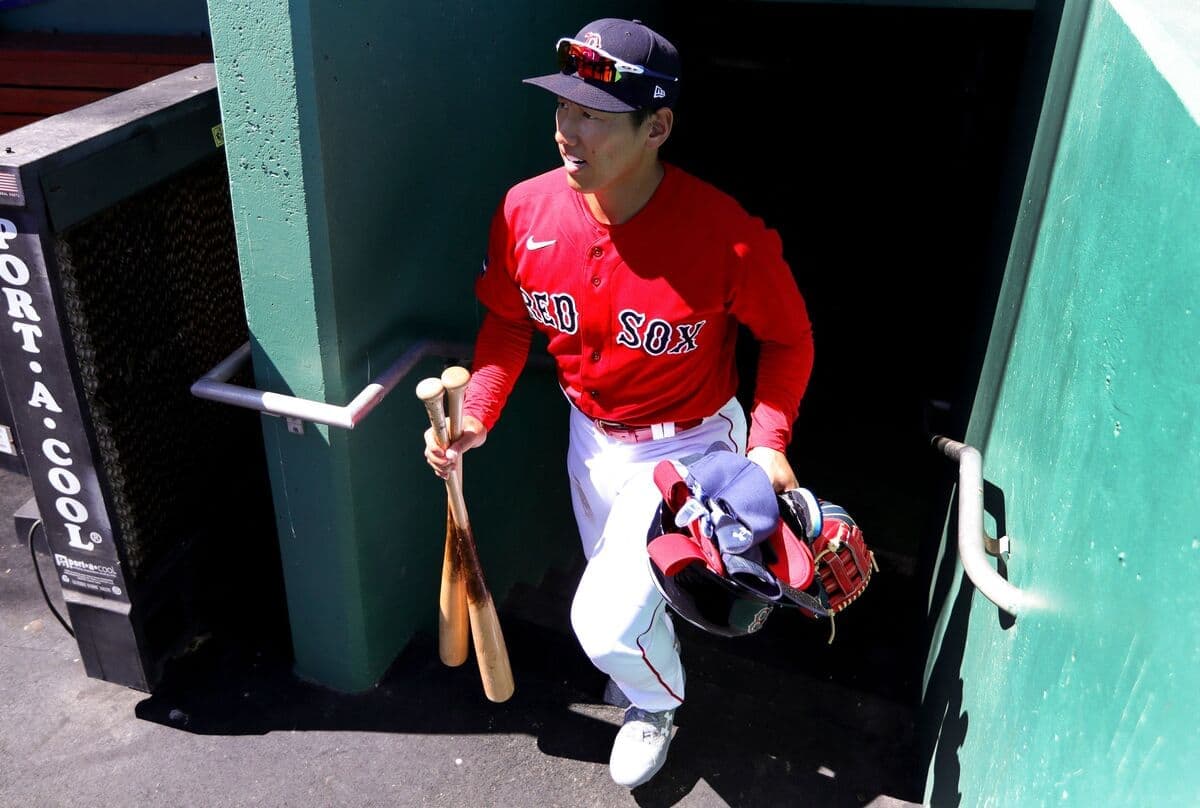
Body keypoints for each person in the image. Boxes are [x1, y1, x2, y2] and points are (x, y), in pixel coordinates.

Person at [424, 17, 814, 788]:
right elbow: (508, 324)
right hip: (592, 439)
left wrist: (769, 440)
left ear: (656, 128)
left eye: (594, 115)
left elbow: (790, 338)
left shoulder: (725, 235)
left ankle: (657, 705)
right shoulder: (525, 211)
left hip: (691, 447)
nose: (567, 131)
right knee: (629, 593)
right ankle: (643, 652)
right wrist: (478, 415)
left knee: (600, 623)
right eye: (563, 107)